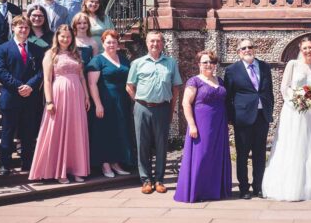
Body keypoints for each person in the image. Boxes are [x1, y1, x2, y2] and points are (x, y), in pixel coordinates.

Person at [263, 37, 311, 201]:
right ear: (300, 50)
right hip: (293, 111)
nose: (308, 51)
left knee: (310, 146)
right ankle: (289, 186)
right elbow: (284, 87)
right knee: (292, 145)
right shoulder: (292, 64)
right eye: (305, 48)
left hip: (310, 111)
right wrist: (295, 102)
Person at [29, 24, 90, 183]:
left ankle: (77, 169)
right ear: (57, 37)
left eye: (69, 36)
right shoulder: (50, 54)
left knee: (75, 131)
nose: (66, 39)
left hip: (77, 95)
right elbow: (47, 80)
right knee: (58, 130)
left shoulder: (76, 54)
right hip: (59, 95)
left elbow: (82, 77)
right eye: (62, 36)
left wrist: (87, 96)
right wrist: (49, 101)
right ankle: (59, 171)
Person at [126, 31, 182, 194]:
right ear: (147, 43)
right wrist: (139, 101)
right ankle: (146, 180)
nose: (155, 44)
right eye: (152, 41)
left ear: (162, 43)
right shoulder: (138, 63)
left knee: (161, 145)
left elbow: (176, 88)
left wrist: (171, 109)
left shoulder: (171, 63)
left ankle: (159, 180)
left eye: (158, 41)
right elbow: (129, 86)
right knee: (142, 144)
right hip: (142, 107)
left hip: (162, 108)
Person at [174, 50, 232, 203]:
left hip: (219, 123)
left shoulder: (220, 80)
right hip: (201, 123)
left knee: (216, 155)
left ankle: (215, 191)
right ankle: (197, 191)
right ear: (199, 64)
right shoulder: (194, 81)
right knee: (202, 155)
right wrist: (192, 125)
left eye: (212, 62)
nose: (209, 65)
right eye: (205, 62)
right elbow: (186, 103)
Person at [224, 39, 274, 199]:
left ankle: (258, 187)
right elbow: (228, 96)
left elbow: (269, 91)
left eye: (250, 47)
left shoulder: (264, 67)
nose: (247, 50)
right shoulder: (232, 70)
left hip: (262, 117)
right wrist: (231, 117)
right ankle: (244, 188)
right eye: (243, 48)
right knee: (242, 154)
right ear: (239, 52)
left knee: (260, 154)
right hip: (243, 119)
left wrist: (269, 110)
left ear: (254, 49)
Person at [0, 16, 43, 176]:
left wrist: (30, 86)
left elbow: (41, 71)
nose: (23, 30)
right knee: (8, 132)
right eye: (20, 27)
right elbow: (0, 71)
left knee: (28, 133)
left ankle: (27, 162)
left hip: (30, 98)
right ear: (13, 28)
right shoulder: (3, 48)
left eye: (26, 28)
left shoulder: (37, 49)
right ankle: (5, 165)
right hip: (11, 97)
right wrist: (19, 86)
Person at [86, 30, 133, 178]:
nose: (111, 44)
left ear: (118, 44)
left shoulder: (124, 60)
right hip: (105, 100)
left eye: (114, 42)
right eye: (108, 42)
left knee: (119, 131)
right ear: (103, 43)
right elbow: (92, 84)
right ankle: (105, 164)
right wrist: (98, 104)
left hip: (122, 100)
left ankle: (115, 163)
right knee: (104, 132)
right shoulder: (97, 61)